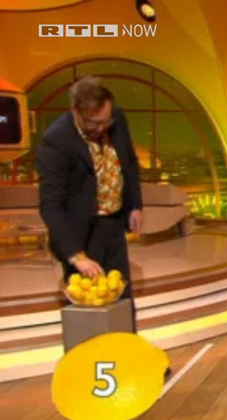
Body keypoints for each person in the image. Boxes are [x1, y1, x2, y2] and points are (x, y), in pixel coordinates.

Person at [37, 76, 143, 331]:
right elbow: (50, 205)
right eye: (94, 123)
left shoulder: (115, 118)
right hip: (81, 234)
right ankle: (92, 356)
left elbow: (129, 161)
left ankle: (126, 351)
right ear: (76, 110)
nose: (102, 128)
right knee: (91, 308)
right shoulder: (56, 141)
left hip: (113, 224)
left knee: (122, 299)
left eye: (107, 121)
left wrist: (135, 204)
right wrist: (76, 256)